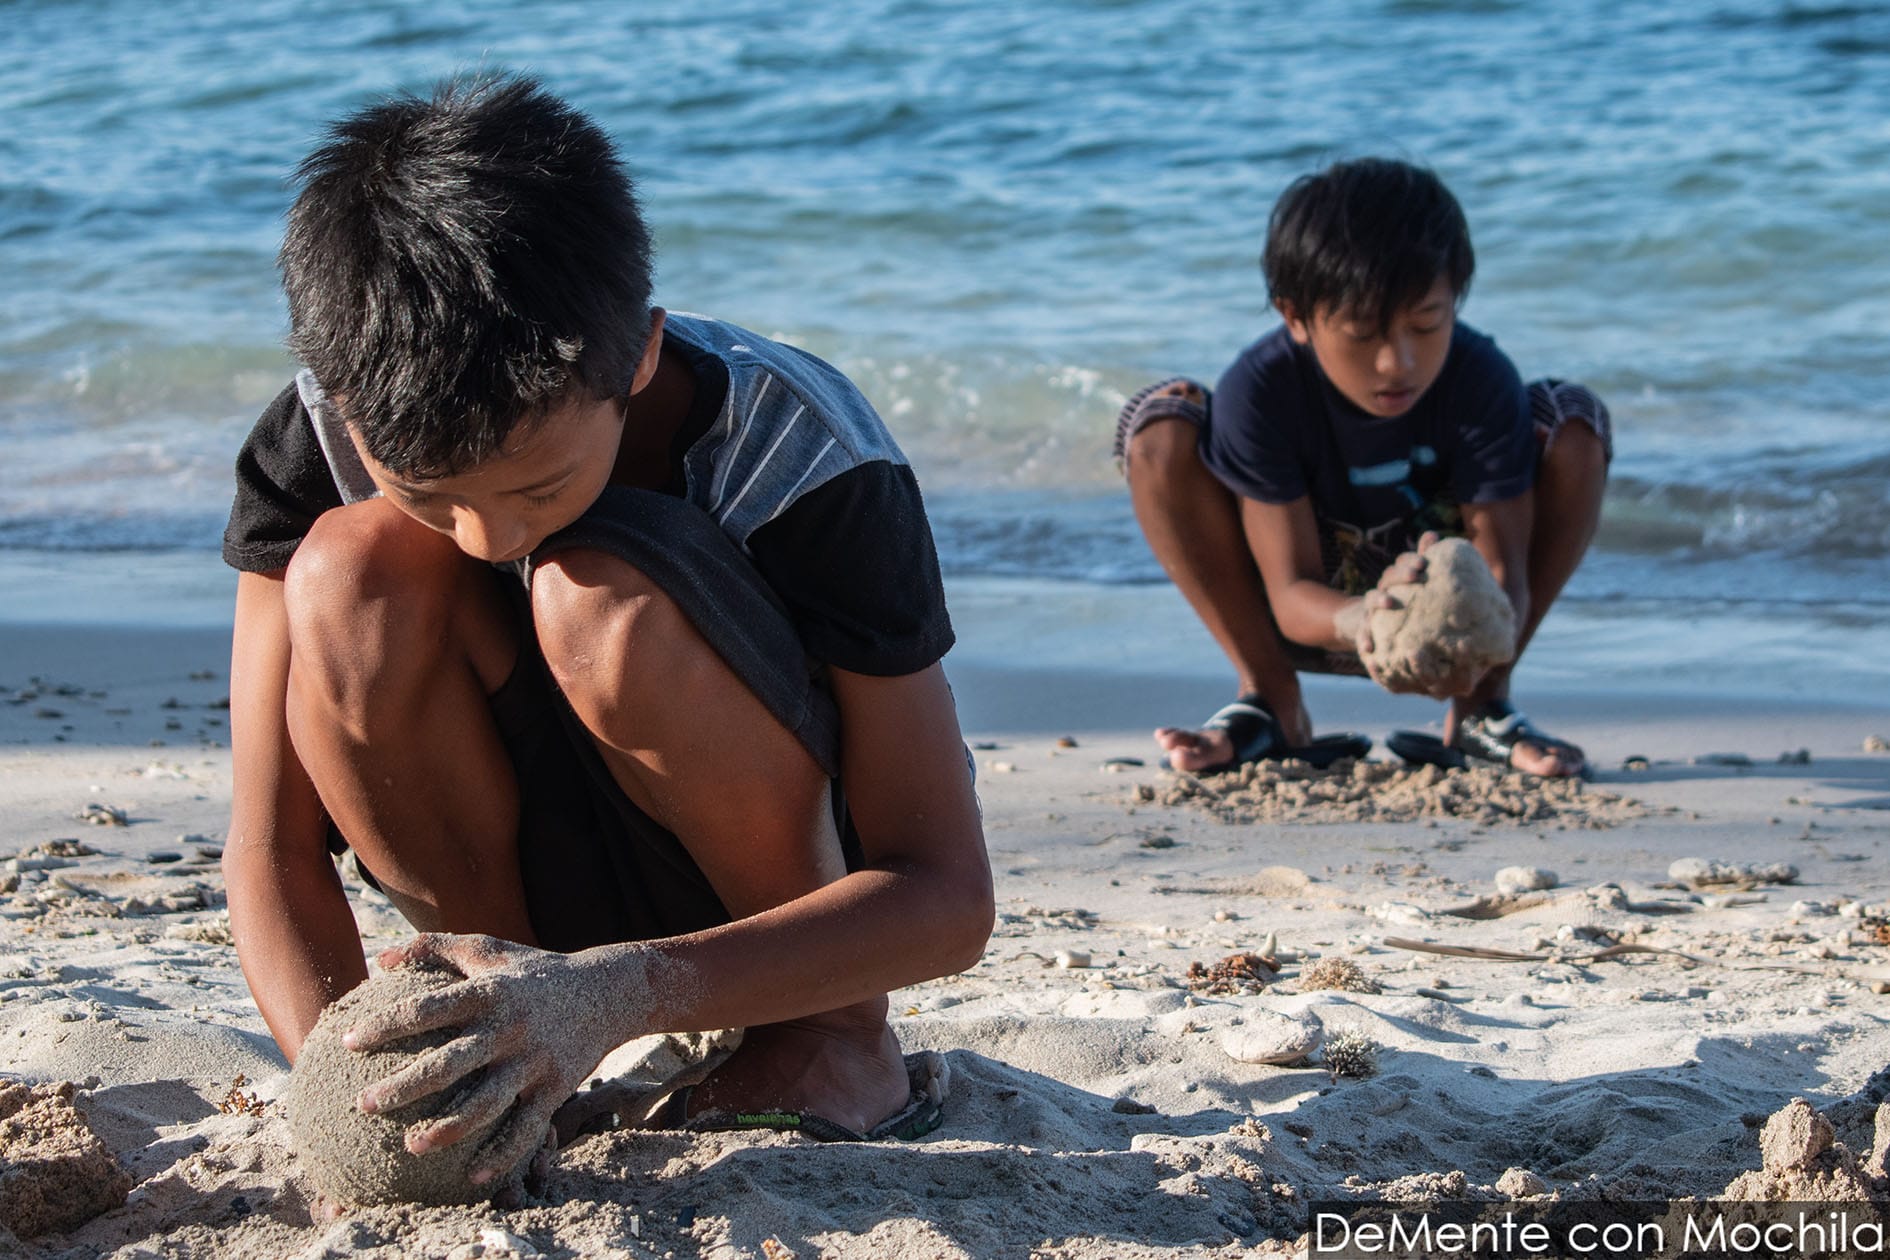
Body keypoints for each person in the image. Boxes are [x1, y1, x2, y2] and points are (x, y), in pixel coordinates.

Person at [220, 73, 993, 1190]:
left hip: (780, 898)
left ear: (636, 354)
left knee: (595, 594)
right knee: (349, 569)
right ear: (343, 401)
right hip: (511, 890)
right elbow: (271, 846)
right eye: (435, 494)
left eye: (535, 483)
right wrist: (350, 1081)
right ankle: (508, 1040)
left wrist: (619, 993)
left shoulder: (800, 448)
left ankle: (829, 1038)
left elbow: (946, 896)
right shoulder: (317, 440)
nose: (486, 540)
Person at [1116, 158, 1610, 779]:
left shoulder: (1479, 377)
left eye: (1426, 323)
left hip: (1457, 631)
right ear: (1294, 316)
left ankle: (1483, 708)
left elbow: (1504, 578)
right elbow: (1290, 593)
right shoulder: (1263, 390)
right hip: (1319, 618)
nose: (1396, 362)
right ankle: (1271, 702)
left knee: (1574, 422)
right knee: (1158, 429)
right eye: (1361, 332)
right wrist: (1369, 617)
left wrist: (1459, 624)